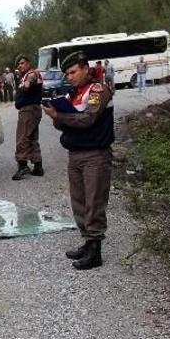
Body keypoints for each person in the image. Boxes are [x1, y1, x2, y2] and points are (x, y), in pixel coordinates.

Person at [41, 50, 114, 270]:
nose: (69, 77)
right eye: (67, 73)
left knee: (94, 201)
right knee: (79, 201)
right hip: (75, 153)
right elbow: (64, 123)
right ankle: (87, 241)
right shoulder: (74, 94)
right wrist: (57, 115)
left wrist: (60, 116)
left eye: (73, 72)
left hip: (95, 154)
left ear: (85, 68)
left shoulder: (97, 90)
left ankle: (96, 250)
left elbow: (88, 119)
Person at [12, 54, 44, 180]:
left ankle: (22, 165)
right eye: (19, 64)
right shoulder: (25, 75)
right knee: (32, 138)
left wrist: (27, 84)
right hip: (33, 110)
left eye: (22, 63)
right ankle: (38, 166)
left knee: (22, 137)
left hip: (29, 110)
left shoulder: (32, 73)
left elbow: (30, 81)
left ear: (28, 63)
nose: (20, 66)